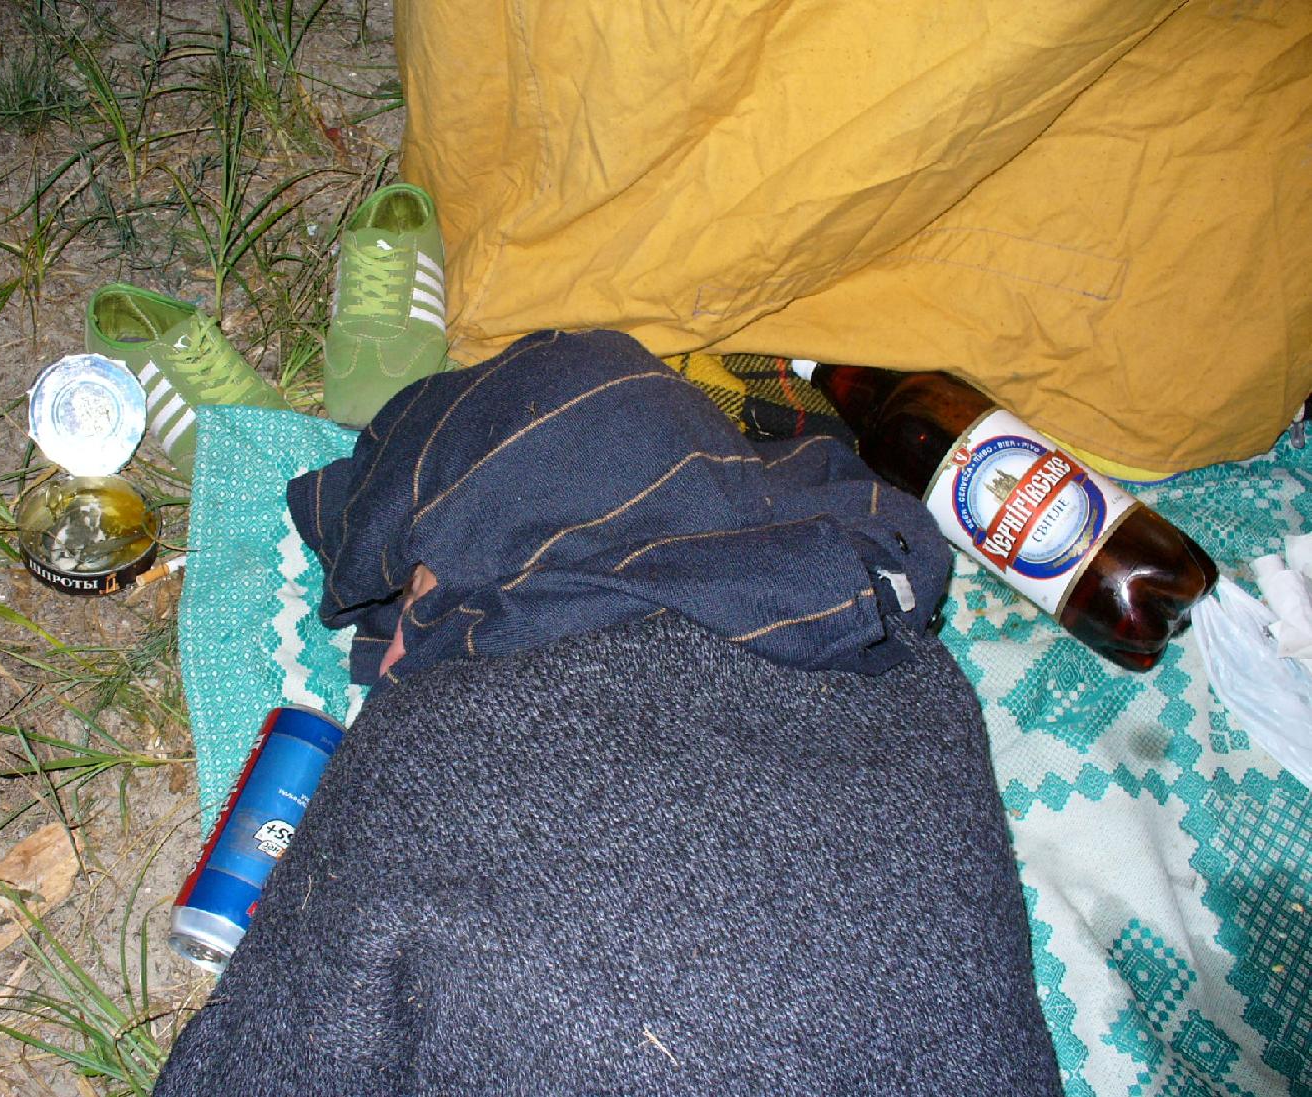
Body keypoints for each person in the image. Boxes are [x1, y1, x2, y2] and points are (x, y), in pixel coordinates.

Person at [154, 330, 1062, 1095]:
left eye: (424, 590)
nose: (390, 658)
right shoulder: (902, 664)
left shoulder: (432, 739)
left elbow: (278, 1048)